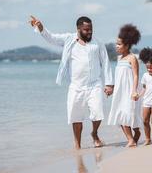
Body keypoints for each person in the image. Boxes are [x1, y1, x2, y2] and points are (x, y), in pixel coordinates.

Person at [29, 15, 114, 149]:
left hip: (95, 84)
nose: (89, 32)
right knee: (75, 117)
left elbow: (106, 62)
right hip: (76, 86)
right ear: (78, 29)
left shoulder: (97, 43)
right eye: (86, 30)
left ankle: (94, 133)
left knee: (98, 113)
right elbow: (51, 38)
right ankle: (77, 145)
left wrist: (109, 84)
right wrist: (41, 28)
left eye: (91, 29)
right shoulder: (69, 39)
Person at [107, 24, 142, 147]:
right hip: (120, 92)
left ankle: (135, 136)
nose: (116, 46)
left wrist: (134, 91)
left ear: (127, 45)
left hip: (130, 91)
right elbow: (119, 77)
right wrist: (112, 88)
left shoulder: (132, 58)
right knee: (120, 114)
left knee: (129, 115)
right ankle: (131, 139)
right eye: (116, 44)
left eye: (119, 44)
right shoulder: (119, 59)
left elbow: (136, 75)